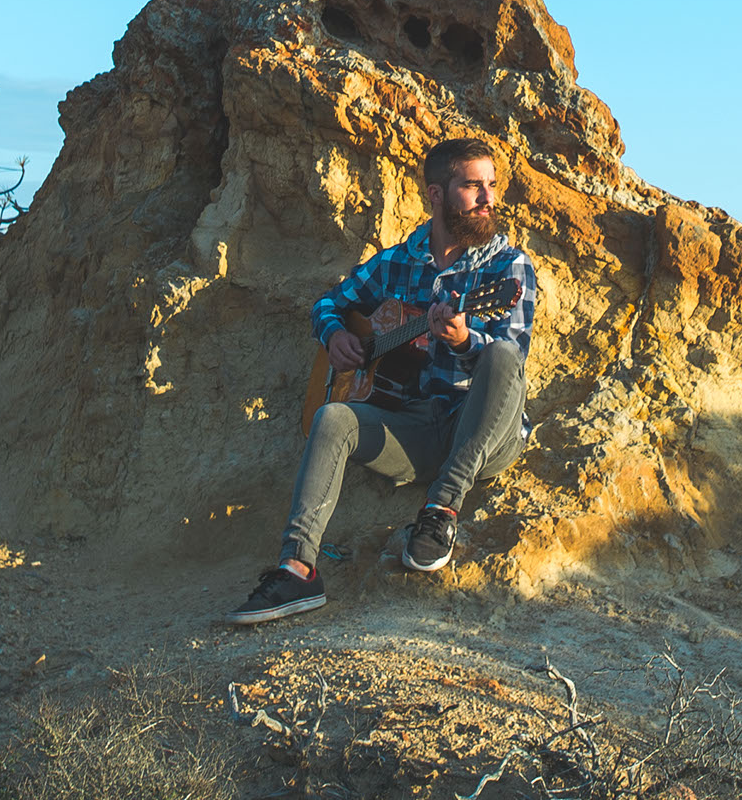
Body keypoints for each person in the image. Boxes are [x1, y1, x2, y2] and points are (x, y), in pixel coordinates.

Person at [227, 136, 538, 624]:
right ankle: (297, 569)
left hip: (483, 434)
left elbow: (511, 362)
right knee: (332, 417)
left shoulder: (507, 267)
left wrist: (462, 341)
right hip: (416, 430)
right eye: (473, 186)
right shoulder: (396, 263)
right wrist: (335, 336)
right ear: (436, 194)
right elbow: (328, 303)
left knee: (498, 353)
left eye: (492, 185)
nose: (488, 199)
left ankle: (440, 510)